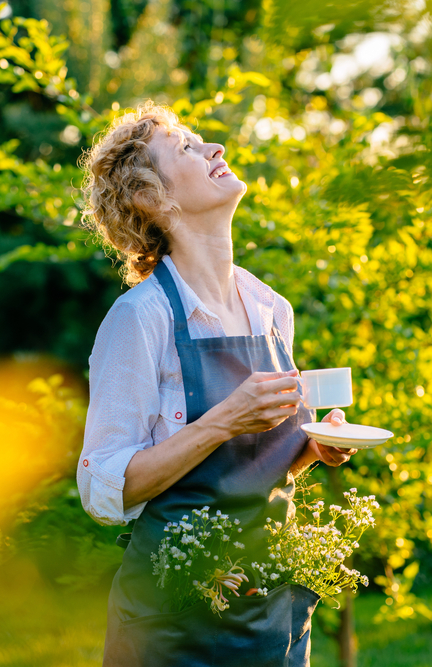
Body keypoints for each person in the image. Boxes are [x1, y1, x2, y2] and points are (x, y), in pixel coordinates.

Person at [77, 100, 356, 667]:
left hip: (270, 607)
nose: (215, 149)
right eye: (186, 148)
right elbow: (104, 492)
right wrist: (223, 419)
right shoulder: (140, 319)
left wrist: (313, 448)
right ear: (150, 198)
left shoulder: (271, 308)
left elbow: (253, 467)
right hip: (173, 623)